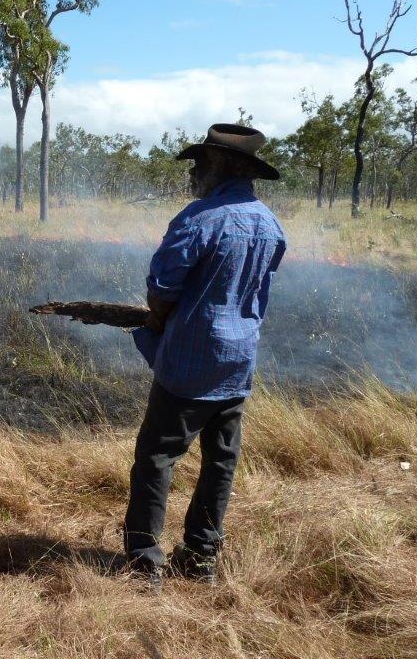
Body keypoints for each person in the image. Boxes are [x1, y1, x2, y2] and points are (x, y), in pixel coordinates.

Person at [125, 123, 286, 589]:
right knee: (221, 460)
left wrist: (158, 322)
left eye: (200, 162)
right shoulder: (271, 226)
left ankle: (144, 563)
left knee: (157, 455)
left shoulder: (200, 218)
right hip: (238, 364)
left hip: (191, 364)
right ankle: (201, 559)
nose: (194, 171)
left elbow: (162, 289)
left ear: (221, 165)